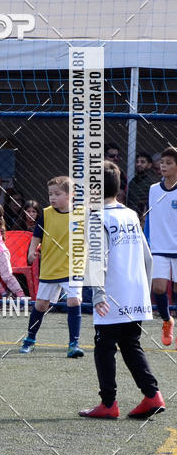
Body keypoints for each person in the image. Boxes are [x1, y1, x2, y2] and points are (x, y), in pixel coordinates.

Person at [79, 161, 166, 419]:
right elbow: (147, 258)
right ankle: (152, 396)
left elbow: (99, 260)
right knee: (130, 345)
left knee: (104, 347)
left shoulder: (96, 217)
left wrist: (98, 294)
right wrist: (144, 290)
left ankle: (108, 403)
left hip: (112, 294)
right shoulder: (129, 214)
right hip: (135, 294)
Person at [19, 176, 85, 358]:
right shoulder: (46, 214)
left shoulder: (82, 214)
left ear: (71, 195)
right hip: (50, 267)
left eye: (57, 194)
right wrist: (31, 251)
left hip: (73, 267)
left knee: (74, 301)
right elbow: (36, 236)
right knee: (41, 305)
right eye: (50, 194)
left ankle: (74, 343)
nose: (52, 198)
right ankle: (30, 339)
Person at [145, 146, 177, 347]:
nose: (163, 166)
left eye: (169, 163)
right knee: (158, 287)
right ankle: (167, 320)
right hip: (158, 247)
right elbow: (150, 217)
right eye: (162, 162)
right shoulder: (153, 189)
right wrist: (147, 242)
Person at [126, 151, 157, 220]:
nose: (138, 164)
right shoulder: (132, 182)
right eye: (137, 162)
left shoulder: (153, 182)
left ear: (149, 165)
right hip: (131, 217)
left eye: (142, 162)